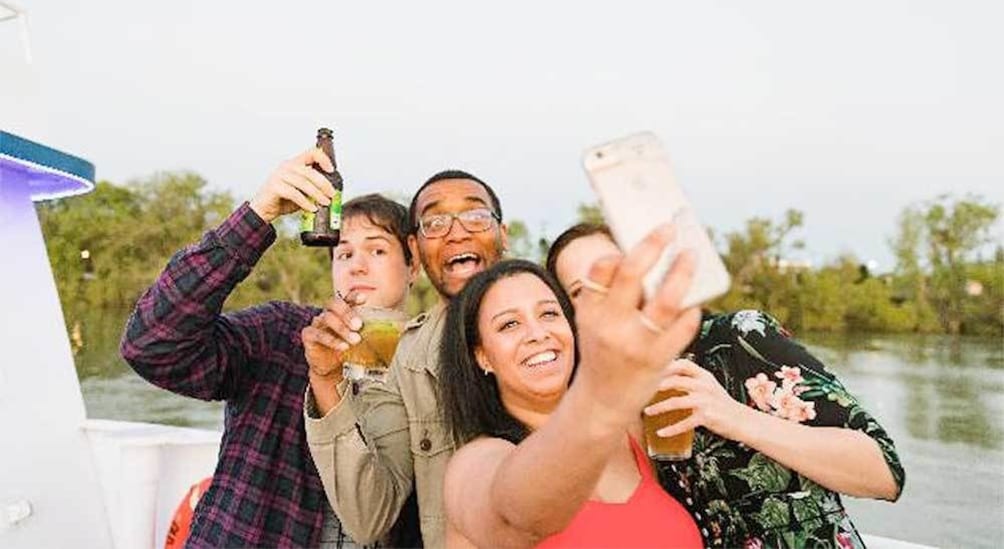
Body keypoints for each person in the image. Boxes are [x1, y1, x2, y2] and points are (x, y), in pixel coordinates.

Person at [120, 146, 420, 548]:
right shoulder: (281, 334)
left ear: (413, 264)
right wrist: (258, 214)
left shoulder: (432, 362)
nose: (357, 265)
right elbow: (152, 345)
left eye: (377, 250)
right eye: (343, 252)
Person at [545, 222, 906, 548]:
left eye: (618, 271)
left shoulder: (738, 338)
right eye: (583, 291)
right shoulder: (606, 399)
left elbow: (884, 473)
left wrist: (731, 416)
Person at [439, 251, 706, 548]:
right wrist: (598, 392)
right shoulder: (472, 465)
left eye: (549, 314)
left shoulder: (632, 430)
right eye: (509, 325)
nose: (538, 334)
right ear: (483, 356)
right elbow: (521, 514)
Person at [303, 170, 509, 547]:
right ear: (417, 249)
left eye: (475, 216)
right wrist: (325, 380)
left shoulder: (555, 323)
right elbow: (369, 518)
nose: (457, 232)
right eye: (435, 222)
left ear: (503, 234)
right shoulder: (405, 358)